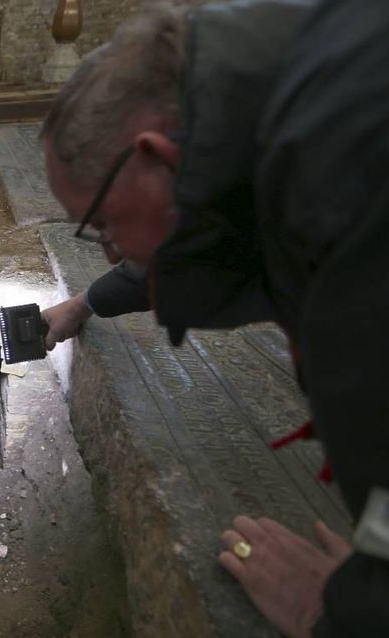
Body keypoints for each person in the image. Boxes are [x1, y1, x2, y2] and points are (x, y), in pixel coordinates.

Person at [39, 0, 389, 635]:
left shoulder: (343, 191)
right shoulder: (279, 105)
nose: (113, 250)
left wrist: (350, 608)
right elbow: (193, 236)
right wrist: (88, 300)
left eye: (105, 227)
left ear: (153, 154)